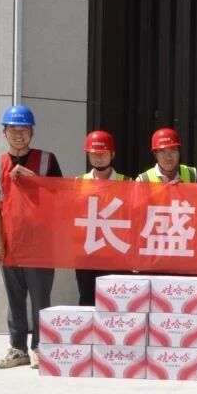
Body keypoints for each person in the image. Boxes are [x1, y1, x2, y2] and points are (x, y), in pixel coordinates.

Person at [0, 105, 63, 369]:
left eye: (24, 129)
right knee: (15, 300)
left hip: (41, 245)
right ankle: (18, 348)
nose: (19, 135)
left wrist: (34, 179)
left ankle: (40, 347)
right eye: (13, 130)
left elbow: (59, 197)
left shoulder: (47, 161)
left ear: (32, 132)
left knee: (41, 299)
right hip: (12, 245)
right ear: (4, 132)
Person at [76, 131, 128, 308]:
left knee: (116, 304)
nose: (98, 158)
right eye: (94, 154)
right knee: (87, 303)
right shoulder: (77, 183)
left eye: (103, 154)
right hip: (86, 255)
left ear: (112, 154)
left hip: (116, 253)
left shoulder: (127, 182)